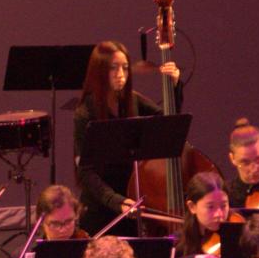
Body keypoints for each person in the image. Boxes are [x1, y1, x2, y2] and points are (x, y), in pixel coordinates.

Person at [71, 40, 181, 236]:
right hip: (101, 207)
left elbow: (167, 126)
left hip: (133, 202)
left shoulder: (132, 100)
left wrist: (174, 87)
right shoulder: (85, 114)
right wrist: (116, 201)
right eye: (113, 69)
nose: (121, 75)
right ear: (99, 72)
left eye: (125, 68)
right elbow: (85, 173)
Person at [167, 170, 232, 258]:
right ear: (192, 207)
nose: (219, 214)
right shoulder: (176, 242)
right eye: (211, 207)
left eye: (224, 205)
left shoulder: (235, 235)